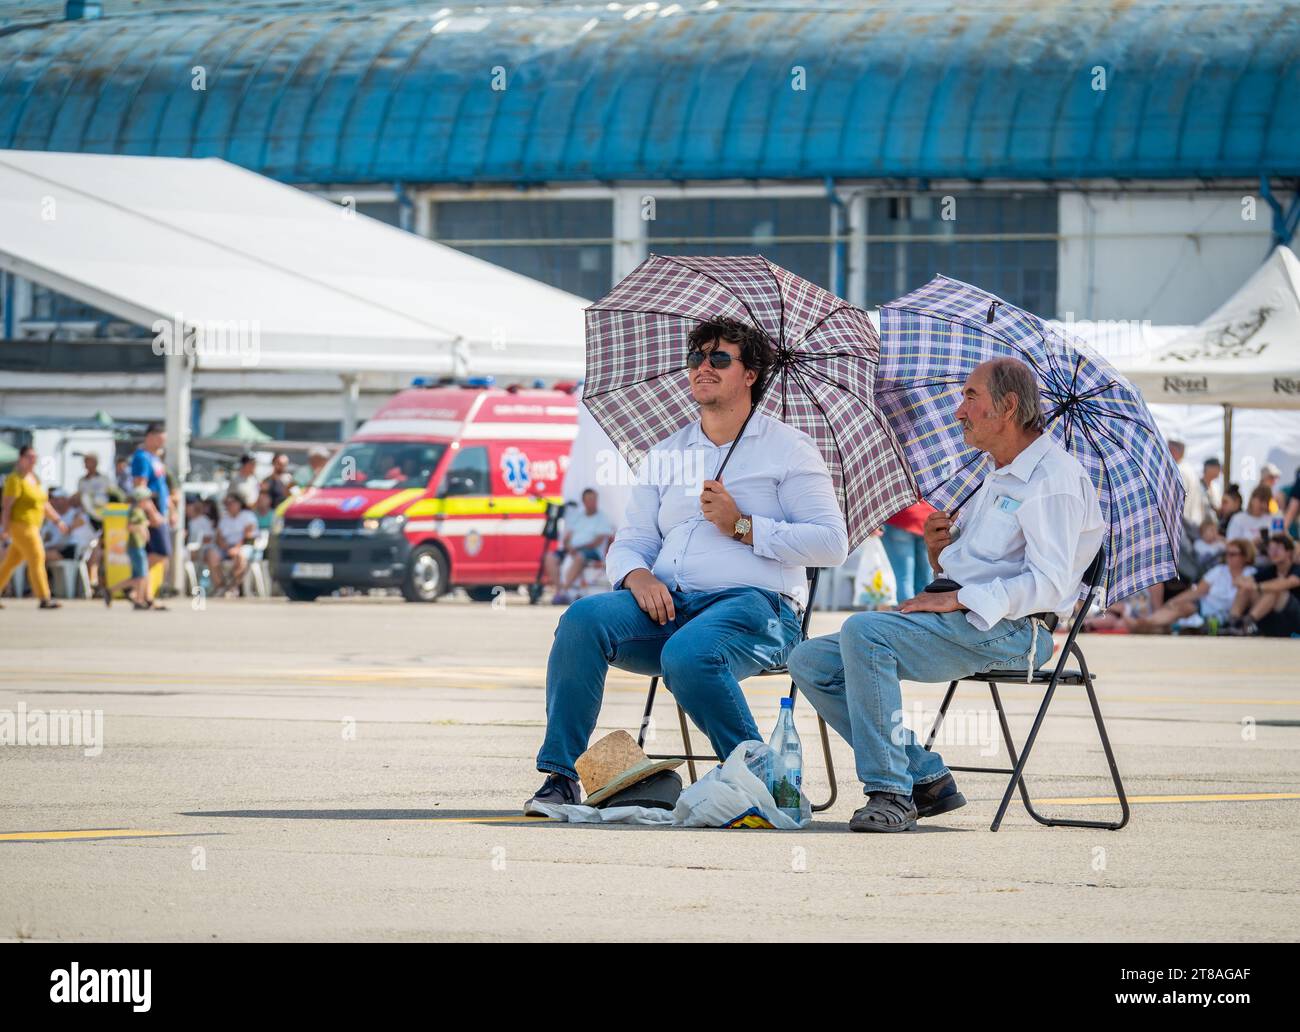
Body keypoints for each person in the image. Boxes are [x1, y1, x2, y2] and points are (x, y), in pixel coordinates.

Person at [525, 316, 848, 815]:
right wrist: (637, 575)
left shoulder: (788, 449)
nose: (704, 366)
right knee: (582, 620)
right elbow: (632, 538)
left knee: (688, 654)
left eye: (720, 358)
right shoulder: (666, 452)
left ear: (751, 374)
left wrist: (742, 526)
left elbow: (831, 544)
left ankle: (762, 779)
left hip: (756, 608)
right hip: (670, 604)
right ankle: (561, 777)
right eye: (696, 357)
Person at [789, 357, 1104, 833]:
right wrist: (941, 553)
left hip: (1018, 632)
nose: (959, 411)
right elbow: (972, 567)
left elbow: (1052, 584)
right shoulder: (994, 475)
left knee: (865, 632)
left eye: (971, 397)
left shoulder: (1052, 480)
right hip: (971, 622)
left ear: (1009, 407)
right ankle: (924, 778)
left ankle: (890, 791)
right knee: (810, 660)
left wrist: (959, 598)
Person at [1126, 538, 1255, 633]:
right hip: (1203, 608)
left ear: (1245, 556)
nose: (1228, 557)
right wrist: (1173, 601)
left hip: (1228, 614)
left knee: (1177, 615)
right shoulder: (1219, 570)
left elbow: (1251, 589)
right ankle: (1147, 623)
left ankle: (1143, 625)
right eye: (1227, 554)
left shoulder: (1251, 573)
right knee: (1180, 608)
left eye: (1233, 554)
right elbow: (1197, 592)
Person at [0, 445, 69, 610]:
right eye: (29, 457)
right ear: (21, 459)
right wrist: (5, 528)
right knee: (37, 557)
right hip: (21, 525)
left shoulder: (35, 479)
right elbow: (7, 506)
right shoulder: (15, 479)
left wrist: (57, 520)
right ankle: (44, 597)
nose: (33, 460)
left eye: (34, 457)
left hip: (34, 525)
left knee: (10, 562)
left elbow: (44, 504)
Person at [546, 488, 614, 604]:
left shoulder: (602, 518)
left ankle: (564, 591)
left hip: (591, 551)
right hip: (572, 549)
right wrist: (569, 547)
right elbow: (567, 537)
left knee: (579, 557)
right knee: (550, 557)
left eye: (594, 499)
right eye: (589, 500)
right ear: (584, 501)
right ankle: (559, 589)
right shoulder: (578, 516)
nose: (592, 502)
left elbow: (597, 542)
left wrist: (576, 549)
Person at [131, 424, 171, 609]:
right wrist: (152, 513)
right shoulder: (141, 458)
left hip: (159, 510)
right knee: (162, 552)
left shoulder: (155, 458)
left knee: (154, 554)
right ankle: (134, 585)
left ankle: (145, 596)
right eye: (161, 437)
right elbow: (140, 488)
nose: (163, 441)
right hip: (150, 512)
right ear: (150, 436)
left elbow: (161, 486)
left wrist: (171, 509)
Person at [1231, 533, 1300, 637]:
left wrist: (1257, 586)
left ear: (1289, 552)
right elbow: (1240, 581)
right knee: (1246, 589)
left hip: (1294, 617)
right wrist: (1246, 584)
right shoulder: (1270, 569)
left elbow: (1290, 582)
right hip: (1274, 618)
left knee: (1275, 590)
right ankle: (1233, 623)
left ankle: (1247, 623)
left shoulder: (1297, 568)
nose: (1273, 552)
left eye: (1278, 548)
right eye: (1271, 549)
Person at [880, 501, 934, 601]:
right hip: (927, 518)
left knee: (903, 578)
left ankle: (907, 615)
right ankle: (923, 615)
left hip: (899, 516)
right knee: (926, 579)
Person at [125, 486, 166, 610]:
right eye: (147, 499)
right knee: (142, 575)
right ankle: (139, 599)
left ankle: (140, 598)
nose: (149, 502)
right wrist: (142, 526)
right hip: (136, 546)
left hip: (139, 546)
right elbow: (130, 526)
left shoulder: (138, 511)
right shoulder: (136, 511)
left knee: (141, 574)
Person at [209, 494, 259, 596]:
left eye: (231, 503)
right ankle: (221, 587)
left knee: (240, 556)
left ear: (239, 504)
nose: (229, 506)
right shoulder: (224, 519)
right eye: (227, 504)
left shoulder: (248, 516)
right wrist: (224, 546)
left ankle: (232, 586)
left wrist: (236, 548)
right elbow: (219, 536)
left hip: (245, 545)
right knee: (211, 555)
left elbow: (248, 535)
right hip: (226, 547)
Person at [77, 453, 114, 529]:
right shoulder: (81, 481)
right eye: (86, 462)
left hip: (103, 512)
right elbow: (80, 497)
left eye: (89, 462)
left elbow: (112, 494)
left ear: (96, 463)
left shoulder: (104, 479)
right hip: (87, 514)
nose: (87, 465)